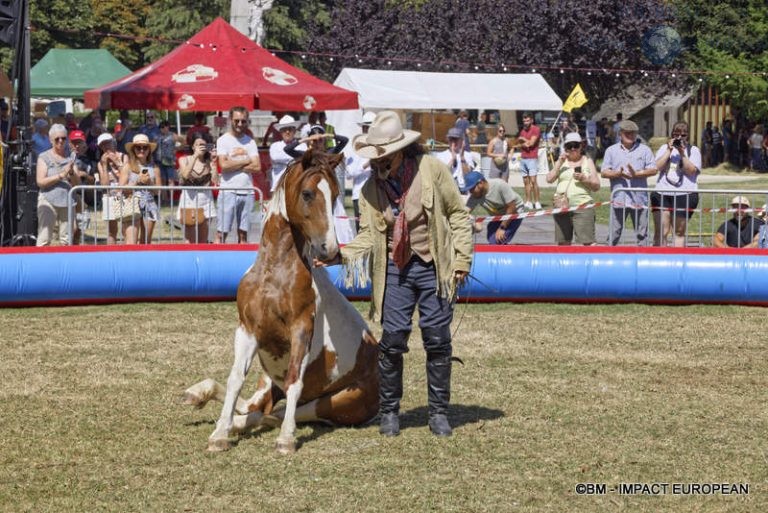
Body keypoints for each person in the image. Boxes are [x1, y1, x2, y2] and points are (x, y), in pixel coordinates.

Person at [329, 110, 473, 438]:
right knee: (392, 342)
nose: (378, 165)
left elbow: (458, 215)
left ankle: (438, 413)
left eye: (383, 159)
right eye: (375, 159)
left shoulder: (432, 170)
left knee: (438, 341)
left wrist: (462, 259)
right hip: (395, 269)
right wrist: (341, 255)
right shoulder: (369, 191)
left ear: (399, 152)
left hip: (434, 267)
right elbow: (368, 235)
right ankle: (390, 412)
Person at [601, 119, 657, 246]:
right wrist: (617, 174)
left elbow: (653, 170)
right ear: (620, 134)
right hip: (619, 199)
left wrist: (637, 174)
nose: (631, 136)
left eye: (633, 133)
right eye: (627, 133)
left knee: (642, 235)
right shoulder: (611, 150)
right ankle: (608, 259)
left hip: (639, 199)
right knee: (614, 233)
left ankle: (643, 261)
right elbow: (604, 172)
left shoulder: (645, 150)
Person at [651, 121, 702, 247]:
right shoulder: (664, 148)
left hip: (685, 194)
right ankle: (659, 259)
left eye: (683, 135)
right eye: (676, 134)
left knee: (679, 232)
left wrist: (682, 153)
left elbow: (691, 171)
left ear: (688, 136)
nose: (679, 138)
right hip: (662, 192)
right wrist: (669, 150)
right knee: (661, 231)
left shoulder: (693, 150)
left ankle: (677, 261)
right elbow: (656, 167)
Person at [215, 106, 261, 243]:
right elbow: (223, 165)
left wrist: (233, 163)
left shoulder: (251, 141)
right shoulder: (223, 140)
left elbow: (257, 167)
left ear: (247, 121)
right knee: (221, 233)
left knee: (243, 235)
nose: (240, 124)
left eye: (243, 121)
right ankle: (217, 260)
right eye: (237, 121)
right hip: (228, 190)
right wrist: (247, 160)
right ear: (230, 120)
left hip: (247, 191)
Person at [545, 133, 600, 245]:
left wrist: (585, 179)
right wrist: (558, 163)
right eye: (569, 146)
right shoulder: (561, 162)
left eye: (576, 145)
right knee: (563, 243)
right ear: (565, 148)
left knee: (588, 242)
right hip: (561, 206)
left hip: (582, 205)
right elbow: (549, 179)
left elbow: (596, 186)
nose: (573, 149)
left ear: (581, 146)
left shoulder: (587, 161)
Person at [35, 124, 80, 246]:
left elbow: (77, 184)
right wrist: (61, 175)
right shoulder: (43, 157)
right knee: (44, 238)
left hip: (67, 201)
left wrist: (71, 172)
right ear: (50, 140)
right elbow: (40, 182)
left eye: (63, 138)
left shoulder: (70, 157)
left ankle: (66, 264)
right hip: (47, 200)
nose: (60, 141)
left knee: (66, 240)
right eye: (57, 139)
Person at [120, 133, 162, 244]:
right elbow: (121, 189)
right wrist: (137, 182)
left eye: (145, 147)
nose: (142, 150)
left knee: (146, 242)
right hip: (131, 204)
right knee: (131, 242)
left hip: (149, 205)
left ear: (149, 150)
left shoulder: (155, 168)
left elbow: (158, 191)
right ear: (133, 149)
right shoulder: (127, 166)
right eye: (138, 147)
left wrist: (149, 183)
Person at [464, 171, 524, 245]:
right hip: (499, 216)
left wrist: (502, 228)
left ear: (481, 183)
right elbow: (464, 212)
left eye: (472, 188)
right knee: (491, 238)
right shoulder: (475, 195)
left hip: (515, 212)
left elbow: (512, 207)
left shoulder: (499, 185)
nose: (470, 192)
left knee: (498, 240)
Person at [178, 136, 218, 244]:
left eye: (203, 145)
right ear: (193, 147)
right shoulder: (183, 159)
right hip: (189, 199)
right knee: (189, 238)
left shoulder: (209, 162)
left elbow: (215, 182)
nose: (201, 147)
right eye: (198, 144)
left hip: (205, 200)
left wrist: (214, 163)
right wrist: (195, 156)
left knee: (203, 239)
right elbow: (185, 175)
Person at [345, 112, 376, 231]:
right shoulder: (356, 148)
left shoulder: (380, 146)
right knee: (362, 230)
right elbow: (349, 174)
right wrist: (368, 164)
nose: (368, 131)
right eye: (366, 128)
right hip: (360, 194)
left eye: (370, 128)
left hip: (378, 194)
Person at [97, 133, 127, 245]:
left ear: (113, 142)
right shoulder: (100, 163)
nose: (106, 147)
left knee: (126, 229)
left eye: (107, 143)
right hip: (110, 196)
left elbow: (127, 176)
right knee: (111, 232)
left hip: (125, 196)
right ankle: (111, 255)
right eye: (103, 145)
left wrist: (117, 162)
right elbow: (104, 185)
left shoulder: (124, 156)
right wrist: (104, 166)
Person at [268, 114, 302, 192]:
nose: (287, 132)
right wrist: (295, 158)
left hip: (296, 188)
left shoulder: (302, 146)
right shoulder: (274, 146)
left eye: (290, 129)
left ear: (294, 130)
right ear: (280, 131)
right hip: (278, 188)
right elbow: (275, 157)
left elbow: (303, 158)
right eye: (284, 129)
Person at [436, 127, 476, 193]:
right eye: (451, 139)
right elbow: (441, 174)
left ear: (462, 140)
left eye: (456, 139)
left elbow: (468, 175)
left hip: (463, 189)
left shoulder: (468, 155)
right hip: (447, 189)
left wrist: (462, 157)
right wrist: (453, 159)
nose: (453, 142)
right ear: (448, 140)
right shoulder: (440, 155)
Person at [518, 112, 542, 209]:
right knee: (526, 182)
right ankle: (528, 201)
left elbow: (531, 144)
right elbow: (521, 145)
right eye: (524, 121)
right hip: (523, 158)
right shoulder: (523, 130)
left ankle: (537, 202)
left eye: (527, 120)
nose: (526, 122)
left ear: (532, 120)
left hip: (532, 158)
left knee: (533, 181)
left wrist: (523, 140)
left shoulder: (536, 129)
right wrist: (524, 143)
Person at [157, 120, 179, 203]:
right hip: (160, 160)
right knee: (162, 180)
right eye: (161, 127)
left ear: (168, 127)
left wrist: (177, 149)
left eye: (164, 127)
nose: (162, 129)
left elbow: (182, 142)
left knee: (170, 180)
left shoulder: (173, 135)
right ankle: (164, 198)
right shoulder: (158, 136)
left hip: (170, 160)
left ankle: (171, 199)